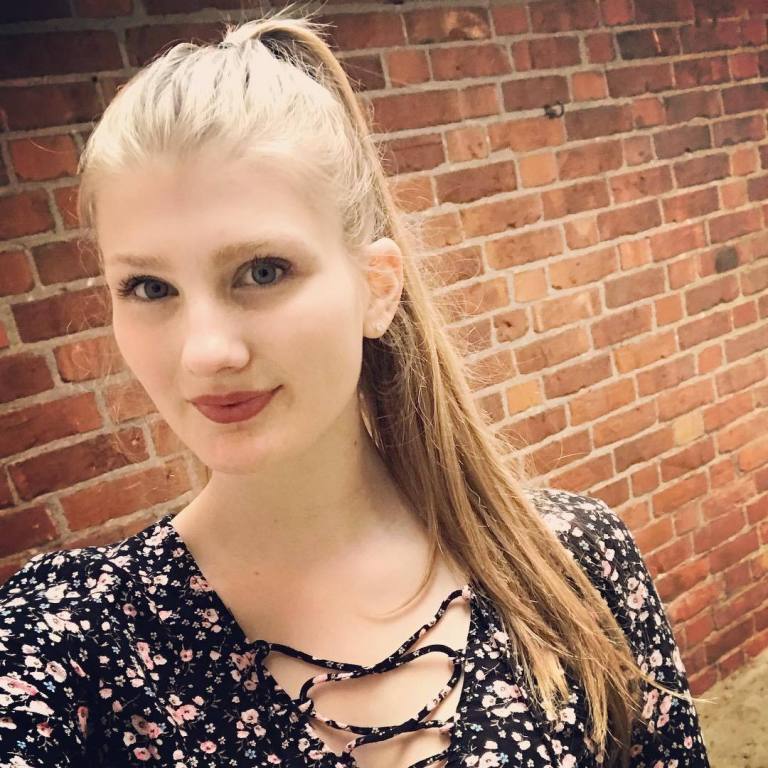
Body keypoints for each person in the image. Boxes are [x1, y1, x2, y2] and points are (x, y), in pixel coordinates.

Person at [0, 8, 711, 768]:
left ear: (377, 288)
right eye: (149, 287)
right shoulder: (69, 644)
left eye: (262, 271)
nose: (206, 353)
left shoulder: (574, 565)